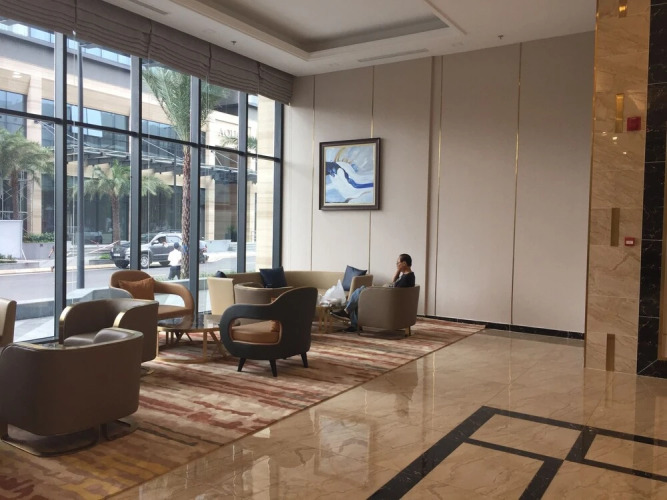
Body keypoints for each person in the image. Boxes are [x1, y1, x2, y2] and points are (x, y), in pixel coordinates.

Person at [334, 253, 415, 332]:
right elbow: (394, 282)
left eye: (398, 263)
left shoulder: (406, 278)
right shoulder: (408, 276)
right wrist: (398, 270)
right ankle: (349, 314)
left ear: (404, 263)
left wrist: (377, 290)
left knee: (360, 292)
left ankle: (347, 311)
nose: (396, 265)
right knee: (359, 293)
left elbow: (394, 291)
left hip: (385, 298)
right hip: (386, 295)